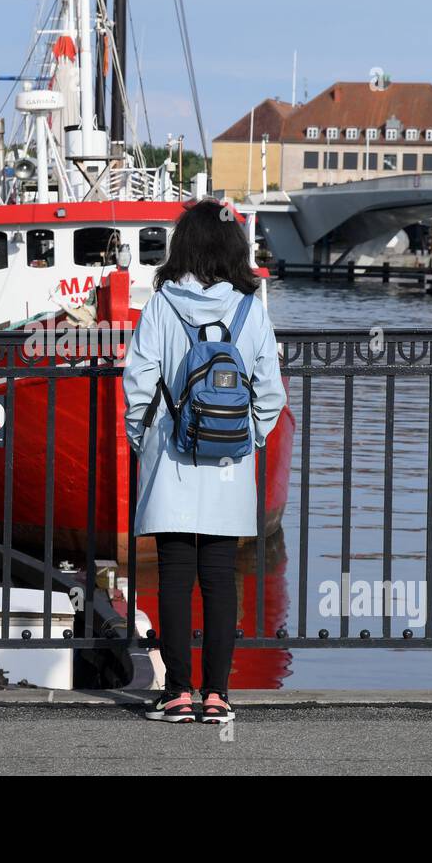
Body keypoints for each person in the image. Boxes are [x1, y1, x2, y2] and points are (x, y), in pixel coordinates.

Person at [122, 200, 287, 725]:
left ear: (183, 245)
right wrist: (247, 439)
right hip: (228, 465)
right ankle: (217, 696)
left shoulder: (161, 304)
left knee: (174, 576)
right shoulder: (249, 308)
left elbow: (139, 382)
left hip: (171, 455)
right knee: (220, 577)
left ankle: (177, 694)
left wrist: (140, 439)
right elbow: (271, 392)